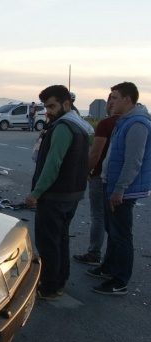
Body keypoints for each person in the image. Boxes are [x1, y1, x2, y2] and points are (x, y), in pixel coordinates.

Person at [24, 85, 91, 300]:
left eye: (52, 106)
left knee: (48, 242)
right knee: (60, 240)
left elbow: (53, 165)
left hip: (55, 196)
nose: (48, 112)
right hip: (71, 194)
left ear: (66, 104)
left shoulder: (63, 127)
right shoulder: (80, 126)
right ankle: (59, 281)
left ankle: (50, 286)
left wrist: (36, 192)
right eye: (46, 107)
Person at [88, 82, 151, 296]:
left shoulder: (137, 124)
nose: (110, 101)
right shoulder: (123, 122)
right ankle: (108, 267)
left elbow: (133, 161)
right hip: (111, 184)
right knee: (112, 230)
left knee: (122, 235)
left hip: (123, 190)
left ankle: (119, 281)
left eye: (114, 97)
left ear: (127, 99)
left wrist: (120, 190)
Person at [73, 94, 120, 266]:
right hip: (120, 180)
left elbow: (95, 153)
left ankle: (94, 253)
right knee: (116, 221)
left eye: (112, 100)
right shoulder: (130, 123)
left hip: (100, 175)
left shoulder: (106, 124)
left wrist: (86, 171)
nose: (110, 104)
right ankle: (112, 260)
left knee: (98, 216)